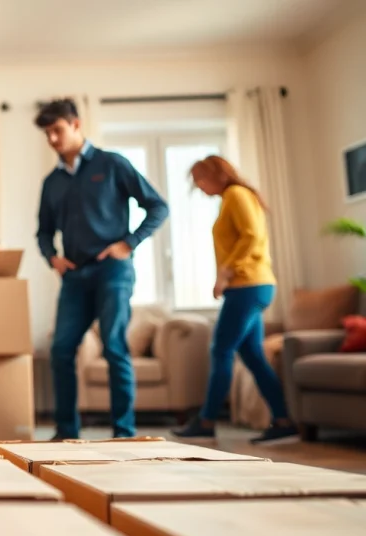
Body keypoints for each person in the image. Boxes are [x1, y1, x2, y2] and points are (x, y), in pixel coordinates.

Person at [35, 98, 169, 441]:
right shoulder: (52, 182)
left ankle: (123, 432)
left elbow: (157, 206)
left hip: (113, 271)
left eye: (57, 130)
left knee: (113, 346)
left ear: (76, 125)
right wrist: (52, 257)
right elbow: (44, 232)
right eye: (47, 133)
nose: (52, 138)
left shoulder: (111, 164)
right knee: (62, 349)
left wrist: (130, 242)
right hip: (74, 277)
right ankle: (67, 432)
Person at [172, 156, 299, 445]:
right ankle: (283, 421)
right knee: (253, 355)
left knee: (221, 350)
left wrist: (226, 272)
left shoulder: (236, 195)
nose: (198, 186)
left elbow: (251, 236)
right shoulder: (232, 197)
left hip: (247, 285)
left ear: (216, 174)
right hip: (253, 285)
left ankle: (206, 421)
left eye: (200, 179)